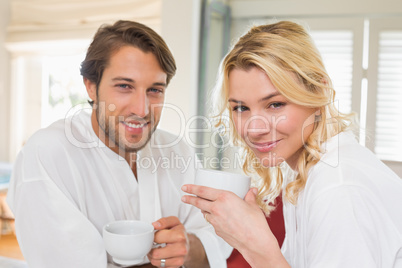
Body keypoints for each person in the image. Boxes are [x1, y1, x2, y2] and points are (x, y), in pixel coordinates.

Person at [7, 20, 232, 268]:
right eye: (124, 86)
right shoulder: (47, 154)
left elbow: (217, 238)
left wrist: (190, 248)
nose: (141, 109)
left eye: (155, 90)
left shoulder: (177, 150)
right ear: (91, 87)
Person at [181, 20, 402, 267]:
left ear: (319, 92)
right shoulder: (303, 170)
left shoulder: (339, 188)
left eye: (275, 104)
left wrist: (254, 246)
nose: (254, 129)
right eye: (241, 108)